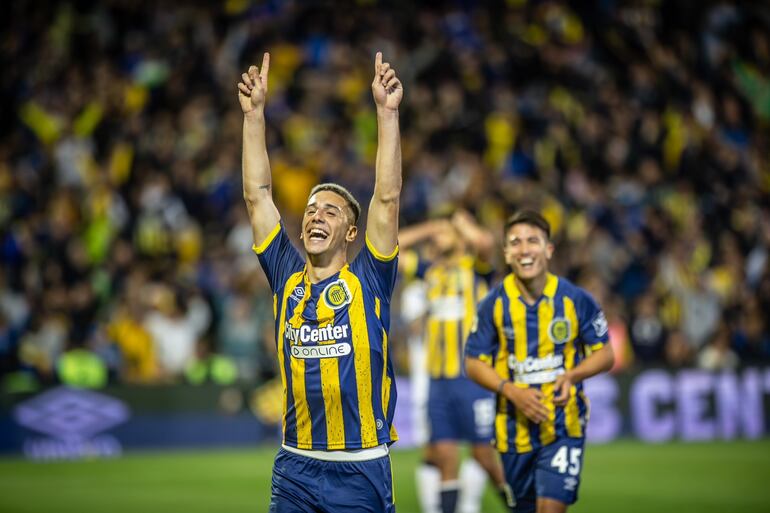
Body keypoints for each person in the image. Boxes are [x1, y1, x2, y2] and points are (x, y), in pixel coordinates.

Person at [238, 51, 403, 512]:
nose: (315, 215)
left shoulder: (370, 276)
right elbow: (258, 196)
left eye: (330, 211)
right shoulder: (285, 275)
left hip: (361, 467)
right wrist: (254, 118)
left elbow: (386, 199)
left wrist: (387, 114)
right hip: (294, 466)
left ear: (352, 232)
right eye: (311, 209)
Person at [464, 210, 614, 513]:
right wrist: (511, 390)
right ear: (506, 253)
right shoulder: (493, 304)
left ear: (548, 249)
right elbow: (473, 362)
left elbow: (606, 353)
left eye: (532, 241)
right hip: (512, 432)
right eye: (515, 242)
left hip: (564, 426)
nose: (524, 249)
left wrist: (572, 375)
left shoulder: (576, 299)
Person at [398, 212, 511, 513]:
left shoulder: (476, 270)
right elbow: (391, 249)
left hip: (471, 380)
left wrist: (461, 224)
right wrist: (429, 227)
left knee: (484, 456)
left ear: (460, 237)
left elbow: (486, 243)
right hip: (438, 381)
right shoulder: (430, 272)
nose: (438, 237)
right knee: (444, 456)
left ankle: (519, 506)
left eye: (445, 232)